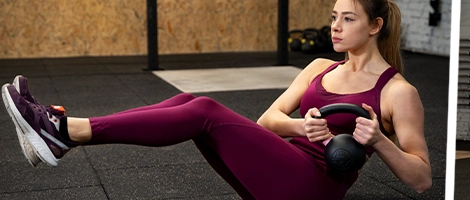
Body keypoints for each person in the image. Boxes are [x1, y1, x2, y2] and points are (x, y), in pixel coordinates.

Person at [1, 0, 432, 199]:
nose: (335, 27)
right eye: (333, 17)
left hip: (315, 187)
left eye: (348, 19)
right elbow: (268, 121)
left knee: (204, 111)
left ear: (375, 25)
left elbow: (422, 179)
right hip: (283, 167)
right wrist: (303, 126)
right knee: (189, 98)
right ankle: (63, 134)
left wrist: (377, 140)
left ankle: (66, 131)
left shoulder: (397, 92)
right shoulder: (321, 67)